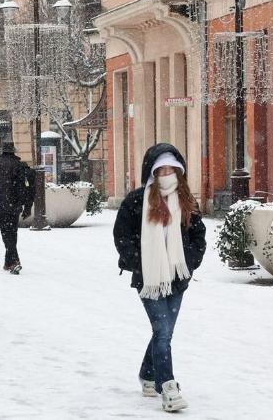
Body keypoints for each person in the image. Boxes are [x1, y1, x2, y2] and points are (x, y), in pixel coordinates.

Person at [112, 143, 206, 413]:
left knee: (164, 333)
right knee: (163, 332)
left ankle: (148, 374)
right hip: (149, 278)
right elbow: (123, 236)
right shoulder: (136, 201)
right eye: (161, 169)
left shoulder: (187, 200)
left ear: (179, 171)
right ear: (153, 172)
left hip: (177, 278)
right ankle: (168, 387)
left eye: (171, 169)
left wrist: (190, 262)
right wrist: (139, 264)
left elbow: (198, 236)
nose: (166, 173)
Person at [0, 140, 32, 274]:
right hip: (15, 204)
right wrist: (27, 206)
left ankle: (13, 260)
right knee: (12, 232)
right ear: (13, 151)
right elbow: (27, 188)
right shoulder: (20, 165)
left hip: (0, 205)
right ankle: (10, 261)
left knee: (5, 232)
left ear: (2, 150)